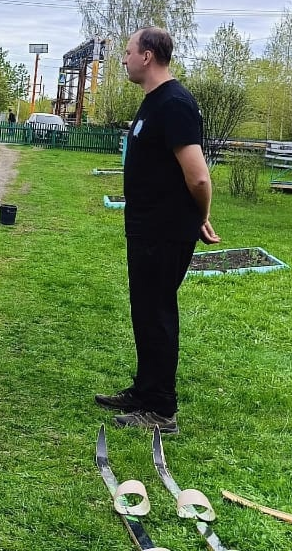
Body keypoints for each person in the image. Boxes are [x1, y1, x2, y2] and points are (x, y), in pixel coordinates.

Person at [94, 27, 219, 435]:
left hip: (165, 230)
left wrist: (200, 216)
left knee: (158, 313)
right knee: (145, 311)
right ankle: (145, 392)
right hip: (148, 228)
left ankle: (162, 410)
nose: (124, 59)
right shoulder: (155, 101)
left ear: (147, 56)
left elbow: (198, 177)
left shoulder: (175, 104)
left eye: (128, 52)